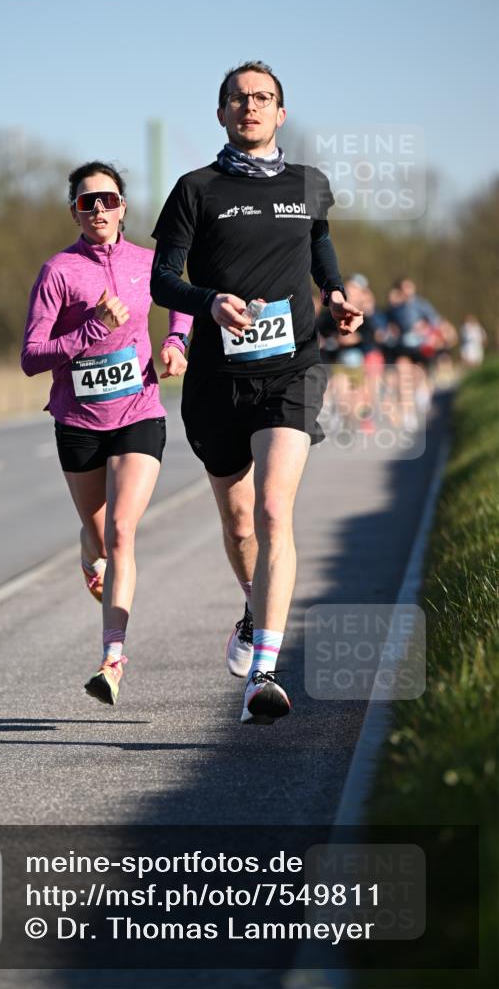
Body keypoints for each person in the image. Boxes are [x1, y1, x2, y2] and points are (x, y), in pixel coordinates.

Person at [150, 61, 362, 724]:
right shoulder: (195, 189)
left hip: (290, 367)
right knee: (240, 523)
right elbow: (161, 280)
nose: (250, 107)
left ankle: (263, 674)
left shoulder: (308, 184)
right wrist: (207, 303)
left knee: (273, 510)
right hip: (217, 379)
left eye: (262, 99)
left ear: (281, 113)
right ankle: (254, 606)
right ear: (220, 113)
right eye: (238, 99)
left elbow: (319, 244)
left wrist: (334, 293)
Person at [21, 161, 190, 706]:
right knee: (97, 537)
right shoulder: (59, 272)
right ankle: (86, 550)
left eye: (108, 200)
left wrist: (176, 345)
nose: (99, 209)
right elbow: (30, 357)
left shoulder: (148, 263)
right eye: (87, 201)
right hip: (78, 422)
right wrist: (91, 329)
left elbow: (180, 306)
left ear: (123, 207)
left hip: (139, 410)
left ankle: (112, 660)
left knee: (121, 533)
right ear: (73, 209)